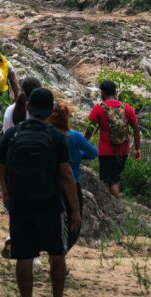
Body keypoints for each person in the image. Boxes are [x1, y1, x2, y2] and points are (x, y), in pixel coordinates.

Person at [0, 88, 80, 297]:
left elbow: (0, 170)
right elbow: (67, 175)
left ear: (28, 107)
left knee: (23, 255)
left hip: (20, 203)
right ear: (50, 110)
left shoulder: (12, 133)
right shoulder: (57, 136)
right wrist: (75, 210)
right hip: (50, 203)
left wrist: (6, 193)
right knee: (57, 253)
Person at [47, 101, 97, 250]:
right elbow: (93, 153)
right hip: (72, 183)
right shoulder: (74, 136)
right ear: (67, 117)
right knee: (73, 222)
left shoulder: (47, 134)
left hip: (48, 183)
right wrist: (78, 155)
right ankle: (61, 251)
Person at [84, 79, 141, 199]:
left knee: (108, 180)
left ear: (102, 93)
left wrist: (84, 143)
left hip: (106, 152)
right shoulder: (127, 108)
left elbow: (90, 129)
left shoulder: (99, 109)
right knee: (115, 177)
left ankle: (116, 205)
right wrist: (137, 149)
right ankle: (115, 202)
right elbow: (136, 129)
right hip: (123, 151)